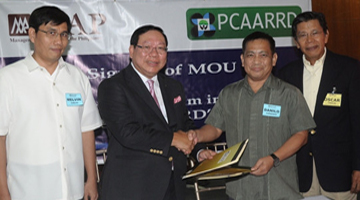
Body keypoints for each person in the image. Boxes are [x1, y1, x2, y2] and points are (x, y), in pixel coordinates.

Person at [188, 31, 316, 200]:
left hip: (280, 189)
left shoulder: (290, 94)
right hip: (240, 191)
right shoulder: (229, 93)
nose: (256, 61)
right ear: (242, 60)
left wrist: (273, 158)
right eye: (251, 55)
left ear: (274, 59)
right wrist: (197, 135)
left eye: (263, 55)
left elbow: (302, 135)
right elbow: (215, 127)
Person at [0, 6, 102, 200]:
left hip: (72, 190)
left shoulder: (77, 77)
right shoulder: (8, 79)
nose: (59, 41)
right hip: (26, 191)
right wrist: (2, 191)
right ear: (32, 34)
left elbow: (86, 130)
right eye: (51, 33)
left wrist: (91, 180)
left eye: (64, 34)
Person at [97, 25, 209, 200]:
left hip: (174, 184)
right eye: (147, 47)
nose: (154, 54)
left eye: (160, 48)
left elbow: (184, 125)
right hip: (133, 186)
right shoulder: (113, 86)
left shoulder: (173, 86)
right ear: (132, 51)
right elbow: (128, 132)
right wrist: (172, 139)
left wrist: (199, 151)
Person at [277, 11, 360, 200]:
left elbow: (357, 122)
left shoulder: (349, 69)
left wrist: (358, 166)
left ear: (326, 35)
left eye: (315, 33)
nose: (310, 40)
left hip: (340, 172)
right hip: (300, 173)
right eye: (303, 35)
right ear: (296, 42)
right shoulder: (286, 75)